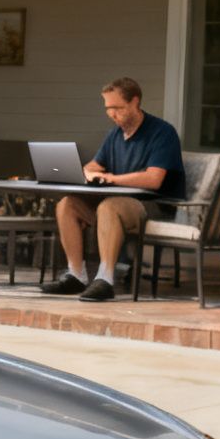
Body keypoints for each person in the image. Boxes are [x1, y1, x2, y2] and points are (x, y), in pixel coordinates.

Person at [39, 77, 186, 302]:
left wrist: (112, 179)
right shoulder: (114, 135)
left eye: (117, 108)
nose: (112, 114)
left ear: (135, 102)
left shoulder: (162, 132)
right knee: (67, 204)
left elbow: (154, 179)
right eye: (108, 108)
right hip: (117, 205)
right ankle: (76, 275)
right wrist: (90, 174)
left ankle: (105, 279)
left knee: (110, 206)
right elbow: (93, 166)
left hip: (155, 206)